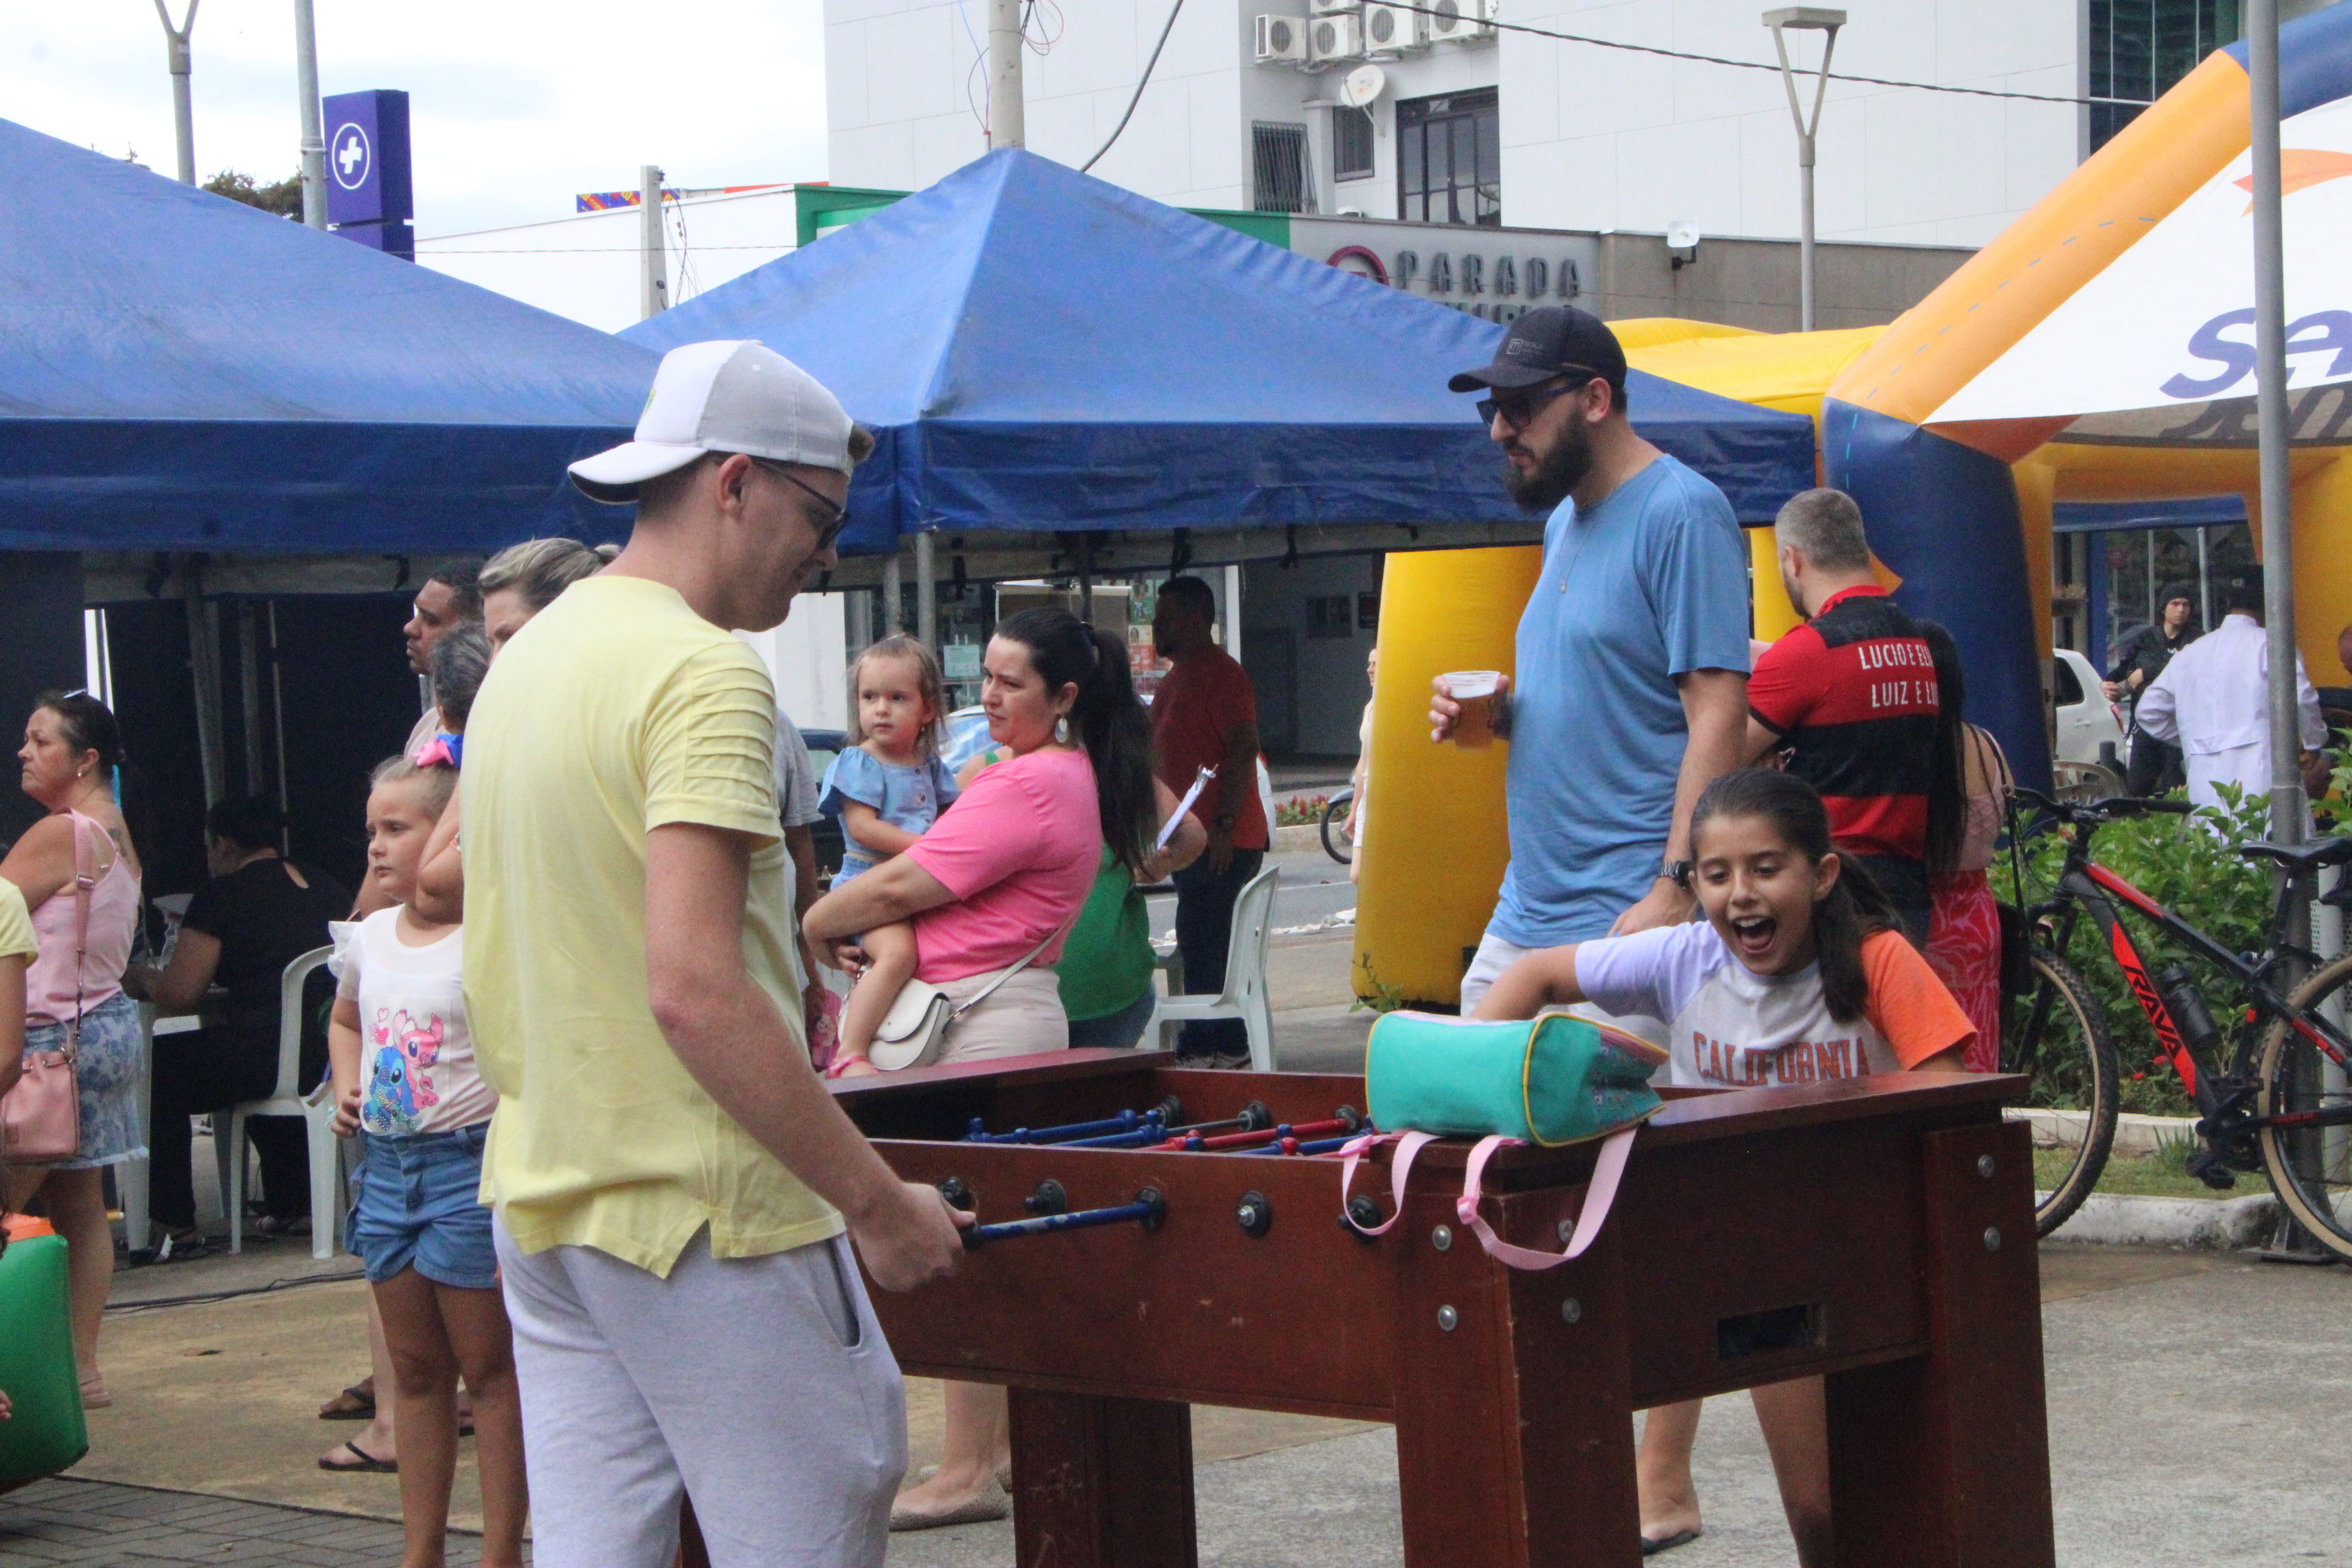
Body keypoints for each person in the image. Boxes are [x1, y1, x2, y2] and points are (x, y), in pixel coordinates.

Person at [461, 338, 966, 1567]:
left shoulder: (525, 662)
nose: (829, 552)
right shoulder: (704, 674)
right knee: (820, 1508)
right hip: (709, 1216)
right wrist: (875, 1201)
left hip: (545, 1200)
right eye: (817, 515)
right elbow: (694, 986)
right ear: (733, 481)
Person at [1473, 767, 1974, 1564]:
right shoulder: (1683, 956)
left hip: (1875, 1251)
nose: (1741, 893)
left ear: (1823, 873)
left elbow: (1956, 1105)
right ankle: (1663, 1483)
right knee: (1817, 1511)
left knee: (1898, 1500)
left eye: (1766, 867)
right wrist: (1473, 1076)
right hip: (1754, 1263)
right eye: (1718, 874)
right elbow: (1534, 973)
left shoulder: (1878, 962)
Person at [804, 606, 1159, 1529]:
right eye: (986, 678)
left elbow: (898, 884)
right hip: (997, 1011)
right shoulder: (1078, 773)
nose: (988, 697)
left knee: (957, 1242)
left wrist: (815, 922)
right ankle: (990, 1454)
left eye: (1010, 682)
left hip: (971, 1020)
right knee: (987, 1233)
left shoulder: (1028, 783)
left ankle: (964, 1471)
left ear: (1066, 696)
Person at [1431, 305, 1751, 1019]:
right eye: (1494, 407)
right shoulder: (1562, 521)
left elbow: (1719, 715)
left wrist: (1675, 891)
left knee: (1599, 1133)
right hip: (1525, 915)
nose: (1498, 431)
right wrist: (1495, 715)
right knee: (1461, 1113)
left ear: (1596, 400)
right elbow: (1612, 697)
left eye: (1518, 408)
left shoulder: (1684, 513)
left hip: (1622, 920)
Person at [326, 754, 524, 1568]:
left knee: (488, 1368)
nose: (377, 846)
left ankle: (502, 1547)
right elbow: (345, 1022)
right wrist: (346, 1085)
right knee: (413, 1368)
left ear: (452, 839)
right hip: (387, 1167)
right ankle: (422, 1550)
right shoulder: (370, 938)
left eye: (397, 829)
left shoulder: (488, 936)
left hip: (465, 1168)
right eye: (372, 829)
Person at [1, 693, 145, 1411]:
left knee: (6, 1202)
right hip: (105, 1025)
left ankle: (19, 1371)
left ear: (86, 759)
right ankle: (81, 1369)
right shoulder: (114, 829)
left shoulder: (61, 831)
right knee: (82, 1203)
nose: (24, 754)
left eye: (40, 742)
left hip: (45, 1042)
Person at [128, 795, 348, 1253]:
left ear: (224, 846)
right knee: (256, 1052)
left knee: (157, 1070)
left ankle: (174, 1222)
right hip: (333, 1054)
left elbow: (181, 992)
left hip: (265, 1055)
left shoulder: (221, 896)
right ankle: (296, 1204)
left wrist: (142, 976)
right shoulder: (326, 886)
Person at [1745, 488, 1941, 942]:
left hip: (1832, 900)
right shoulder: (1918, 644)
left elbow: (1720, 759)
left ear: (1792, 560)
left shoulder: (1807, 651)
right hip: (1909, 896)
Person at [818, 636, 959, 1069]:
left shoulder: (930, 764)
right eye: (870, 697)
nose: (881, 708)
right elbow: (863, 827)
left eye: (897, 698)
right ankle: (851, 1051)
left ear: (928, 709)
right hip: (869, 885)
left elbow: (954, 815)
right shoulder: (859, 761)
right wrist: (930, 850)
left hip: (913, 884)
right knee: (898, 955)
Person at [1147, 576, 1269, 1067]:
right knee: (1199, 939)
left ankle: (1217, 1048)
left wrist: (1222, 824)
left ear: (1197, 618)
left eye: (1166, 614)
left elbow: (1242, 749)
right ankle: (1211, 1044)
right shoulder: (1176, 679)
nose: (1155, 624)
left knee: (1207, 944)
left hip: (1223, 840)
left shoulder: (1222, 675)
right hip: (1189, 839)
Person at [2134, 568, 2328, 817]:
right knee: (2268, 850)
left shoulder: (2191, 652)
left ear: (2227, 604)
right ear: (2271, 603)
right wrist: (2313, 743)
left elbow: (2148, 712)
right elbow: (2302, 697)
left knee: (2212, 851)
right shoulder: (2271, 644)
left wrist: (2193, 735)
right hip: (2262, 776)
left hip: (2204, 782)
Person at [1920, 624, 2013, 1073]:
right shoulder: (1986, 745)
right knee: (1978, 1032)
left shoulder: (1915, 750)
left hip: (1927, 915)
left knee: (1928, 1043)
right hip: (1978, 913)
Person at [2107, 583, 2198, 797]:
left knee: (2175, 790)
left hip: (2179, 729)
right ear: (2164, 608)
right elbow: (2123, 670)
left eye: (2186, 605)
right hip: (2146, 725)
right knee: (2137, 788)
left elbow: (2185, 669)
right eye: (2175, 604)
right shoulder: (2147, 638)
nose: (2181, 610)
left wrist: (2147, 672)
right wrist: (2106, 683)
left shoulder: (2197, 640)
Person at [401, 563, 484, 760]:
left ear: (475, 632)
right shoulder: (428, 722)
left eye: (431, 620)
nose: (410, 628)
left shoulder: (484, 734)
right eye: (417, 612)